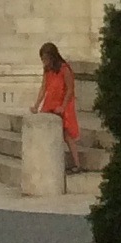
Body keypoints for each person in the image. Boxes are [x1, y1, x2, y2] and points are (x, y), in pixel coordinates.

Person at [35, 40, 81, 175]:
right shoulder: (47, 70)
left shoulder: (64, 69)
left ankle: (77, 164)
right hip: (50, 102)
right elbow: (43, 87)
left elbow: (70, 89)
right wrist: (36, 105)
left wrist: (63, 106)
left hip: (63, 103)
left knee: (67, 135)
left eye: (46, 59)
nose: (44, 62)